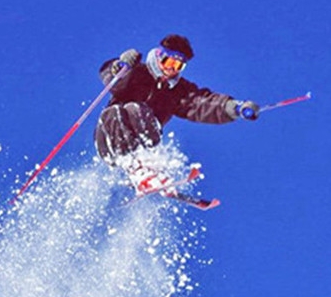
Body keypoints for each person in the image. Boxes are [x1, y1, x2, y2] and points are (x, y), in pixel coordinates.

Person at [94, 34, 260, 197]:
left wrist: (235, 108)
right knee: (120, 111)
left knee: (137, 110)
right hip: (109, 139)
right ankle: (134, 168)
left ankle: (147, 170)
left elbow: (203, 103)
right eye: (169, 62)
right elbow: (112, 81)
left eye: (178, 66)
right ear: (159, 56)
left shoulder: (178, 91)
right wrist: (120, 67)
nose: (171, 69)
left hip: (146, 141)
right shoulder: (137, 73)